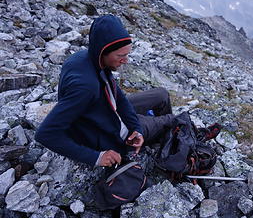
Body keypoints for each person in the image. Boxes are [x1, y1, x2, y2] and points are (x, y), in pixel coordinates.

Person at [35, 14, 174, 168]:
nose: (126, 60)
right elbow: (45, 134)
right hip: (109, 134)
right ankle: (165, 146)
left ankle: (155, 136)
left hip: (108, 112)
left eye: (127, 54)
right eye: (121, 55)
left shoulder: (88, 58)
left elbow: (118, 97)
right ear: (103, 51)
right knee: (172, 120)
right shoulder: (85, 87)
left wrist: (136, 128)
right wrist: (96, 157)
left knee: (161, 94)